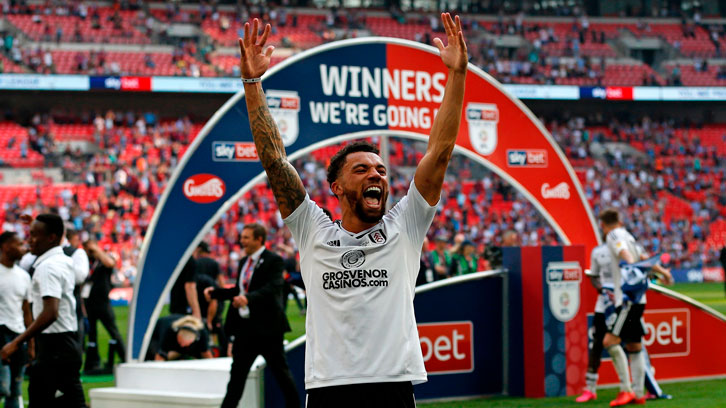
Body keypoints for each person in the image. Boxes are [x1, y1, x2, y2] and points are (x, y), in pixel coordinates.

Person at [235, 12, 467, 406]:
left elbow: (439, 154)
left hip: (392, 386)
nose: (376, 175)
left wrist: (458, 75)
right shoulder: (313, 230)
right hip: (329, 390)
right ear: (338, 187)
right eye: (362, 169)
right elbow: (275, 161)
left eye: (380, 169)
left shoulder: (405, 226)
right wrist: (253, 83)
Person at [204, 223, 300, 408]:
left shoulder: (274, 260)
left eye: (246, 237)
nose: (242, 241)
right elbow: (239, 290)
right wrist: (215, 293)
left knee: (282, 375)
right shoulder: (243, 262)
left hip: (268, 330)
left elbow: (272, 288)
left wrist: (247, 299)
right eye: (242, 237)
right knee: (236, 378)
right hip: (245, 330)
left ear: (259, 239)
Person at [0, 214, 86, 407]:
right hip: (64, 343)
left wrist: (17, 342)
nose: (29, 240)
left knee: (44, 399)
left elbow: (50, 312)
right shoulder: (61, 259)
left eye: (33, 235)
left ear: (51, 238)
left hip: (55, 346)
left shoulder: (48, 267)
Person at [576, 241, 672, 403]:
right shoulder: (599, 252)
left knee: (630, 344)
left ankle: (633, 390)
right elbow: (594, 277)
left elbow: (645, 263)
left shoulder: (631, 247)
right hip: (606, 305)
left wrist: (663, 273)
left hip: (627, 304)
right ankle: (595, 389)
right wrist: (604, 289)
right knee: (600, 343)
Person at [599, 208, 672, 406]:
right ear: (619, 220)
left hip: (626, 299)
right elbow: (644, 257)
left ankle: (626, 390)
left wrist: (631, 269)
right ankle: (639, 394)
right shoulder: (628, 235)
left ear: (603, 225)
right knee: (634, 345)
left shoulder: (613, 235)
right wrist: (664, 273)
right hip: (638, 300)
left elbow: (624, 253)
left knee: (610, 341)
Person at [82, 240, 126, 374]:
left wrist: (96, 249)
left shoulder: (103, 260)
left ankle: (124, 357)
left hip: (103, 303)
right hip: (89, 303)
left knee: (113, 331)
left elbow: (109, 263)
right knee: (92, 335)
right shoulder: (85, 262)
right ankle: (93, 362)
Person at [0, 232, 31, 408]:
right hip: (0, 333)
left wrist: (31, 343)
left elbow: (26, 311)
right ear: (5, 247)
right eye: (18, 244)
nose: (23, 247)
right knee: (2, 387)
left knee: (15, 389)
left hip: (19, 337)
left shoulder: (24, 276)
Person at [145, 314, 212, 361]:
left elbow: (206, 353)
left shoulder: (202, 332)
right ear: (177, 335)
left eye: (185, 344)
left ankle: (182, 355)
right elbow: (159, 357)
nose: (182, 345)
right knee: (153, 353)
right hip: (156, 336)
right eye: (180, 342)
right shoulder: (169, 330)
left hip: (187, 345)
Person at [169, 253, 201, 319]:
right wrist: (196, 312)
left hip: (175, 306)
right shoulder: (190, 261)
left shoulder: (177, 257)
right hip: (184, 309)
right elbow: (190, 287)